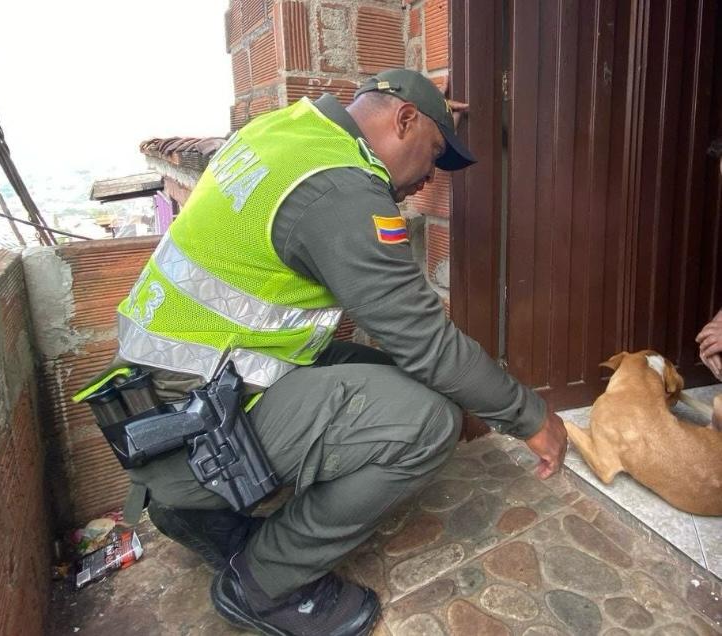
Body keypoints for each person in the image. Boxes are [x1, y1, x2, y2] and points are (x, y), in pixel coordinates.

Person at [109, 68, 567, 635]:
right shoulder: (341, 187)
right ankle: (263, 583)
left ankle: (195, 512)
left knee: (406, 381)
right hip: (194, 426)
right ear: (402, 120)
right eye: (433, 153)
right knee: (427, 420)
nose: (428, 179)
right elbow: (425, 341)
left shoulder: (286, 131)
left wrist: (430, 103)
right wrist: (531, 416)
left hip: (159, 401)